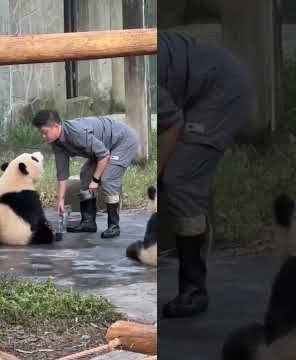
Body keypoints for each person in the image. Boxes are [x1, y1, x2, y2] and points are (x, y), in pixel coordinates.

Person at [158, 30, 254, 318]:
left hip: (221, 93)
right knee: (179, 178)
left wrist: (158, 174)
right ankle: (193, 234)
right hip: (202, 89)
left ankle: (194, 291)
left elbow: (172, 126)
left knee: (179, 180)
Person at [32, 110, 138, 239]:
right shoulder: (56, 142)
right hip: (103, 147)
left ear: (57, 126)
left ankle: (113, 226)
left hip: (123, 141)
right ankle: (88, 222)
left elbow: (104, 156)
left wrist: (96, 180)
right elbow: (62, 171)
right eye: (41, 133)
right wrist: (61, 199)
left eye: (45, 132)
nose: (43, 136)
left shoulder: (76, 133)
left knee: (108, 179)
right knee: (85, 174)